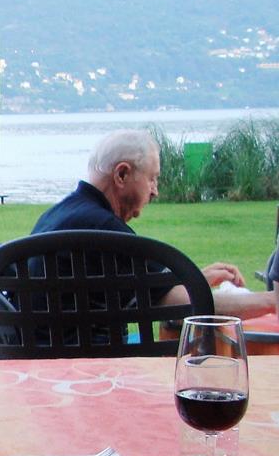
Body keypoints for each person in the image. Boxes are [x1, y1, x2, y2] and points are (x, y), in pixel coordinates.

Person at [34, 129, 273, 319]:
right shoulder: (105, 232)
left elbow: (154, 287)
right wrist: (271, 301)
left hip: (35, 359)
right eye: (152, 179)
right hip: (96, 360)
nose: (155, 191)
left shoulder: (56, 217)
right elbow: (180, 303)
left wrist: (195, 279)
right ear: (122, 175)